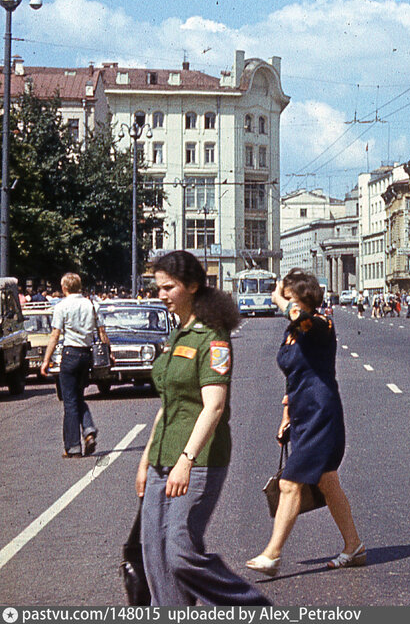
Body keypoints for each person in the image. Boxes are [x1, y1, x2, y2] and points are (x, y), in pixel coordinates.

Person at [135, 250, 271, 606]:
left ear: (192, 286)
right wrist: (145, 460)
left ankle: (249, 605)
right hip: (161, 459)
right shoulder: (177, 334)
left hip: (199, 458)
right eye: (158, 288)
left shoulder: (212, 336)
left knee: (180, 551)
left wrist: (186, 459)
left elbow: (214, 406)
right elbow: (168, 406)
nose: (161, 294)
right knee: (155, 554)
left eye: (169, 287)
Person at [248, 270, 364, 575]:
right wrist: (286, 415)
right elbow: (294, 376)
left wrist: (280, 302)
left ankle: (272, 555)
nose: (281, 300)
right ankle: (354, 546)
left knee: (289, 483)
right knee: (327, 481)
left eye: (287, 296)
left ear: (301, 299)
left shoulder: (320, 325)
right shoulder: (293, 331)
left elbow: (302, 319)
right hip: (302, 414)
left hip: (320, 415)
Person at [41, 273, 108, 458]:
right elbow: (102, 332)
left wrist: (46, 360)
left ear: (64, 288)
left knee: (70, 402)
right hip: (86, 356)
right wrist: (109, 354)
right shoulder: (92, 305)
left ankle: (73, 446)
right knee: (78, 397)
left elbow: (55, 335)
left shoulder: (61, 306)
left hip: (70, 354)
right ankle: (88, 431)